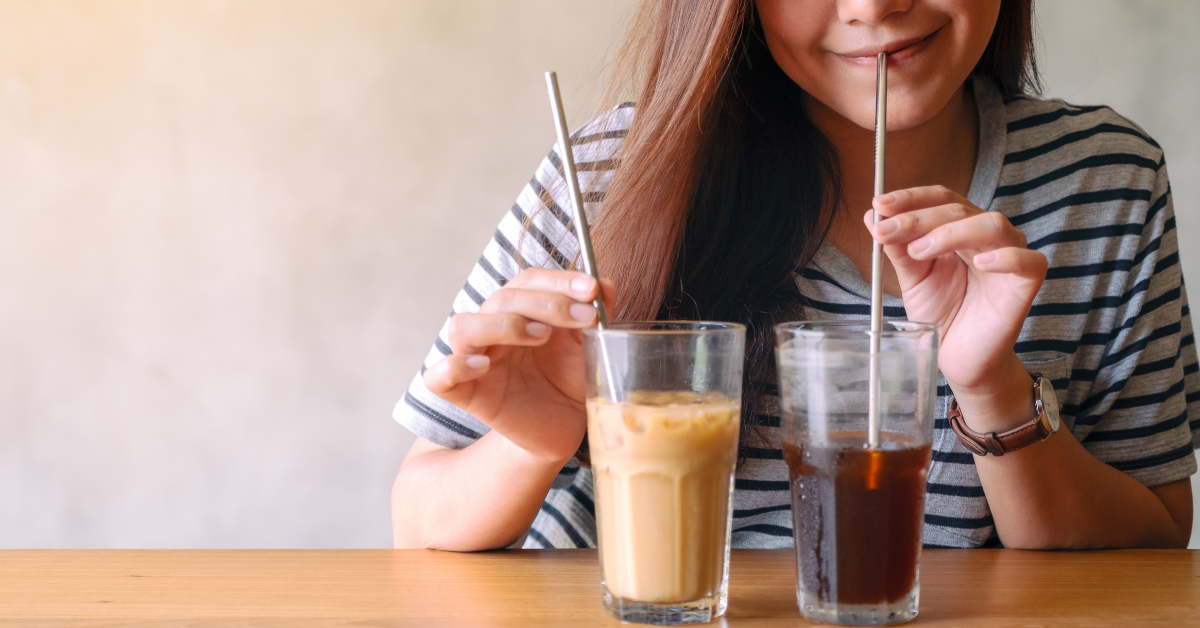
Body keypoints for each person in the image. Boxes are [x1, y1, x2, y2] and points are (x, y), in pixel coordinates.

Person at [390, 0, 1197, 551]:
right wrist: (538, 442)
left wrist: (991, 387)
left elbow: (1154, 537)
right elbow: (417, 516)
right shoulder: (611, 173)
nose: (874, 5)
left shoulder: (1103, 178)